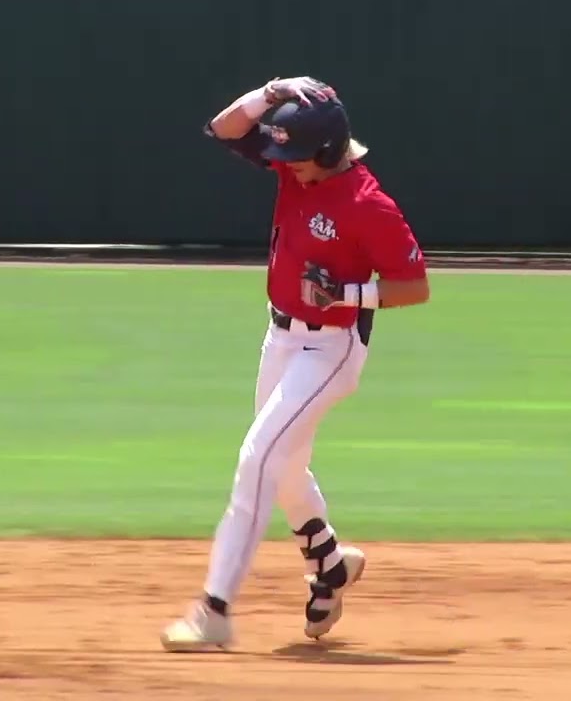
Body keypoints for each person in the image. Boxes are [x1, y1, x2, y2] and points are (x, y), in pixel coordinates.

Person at [160, 76, 431, 651]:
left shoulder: (367, 204)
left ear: (330, 150)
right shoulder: (294, 165)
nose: (286, 165)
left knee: (257, 457)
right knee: (283, 464)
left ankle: (214, 610)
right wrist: (269, 91)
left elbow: (414, 286)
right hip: (279, 337)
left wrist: (348, 293)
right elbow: (223, 128)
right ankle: (330, 563)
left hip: (330, 350)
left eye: (298, 156)